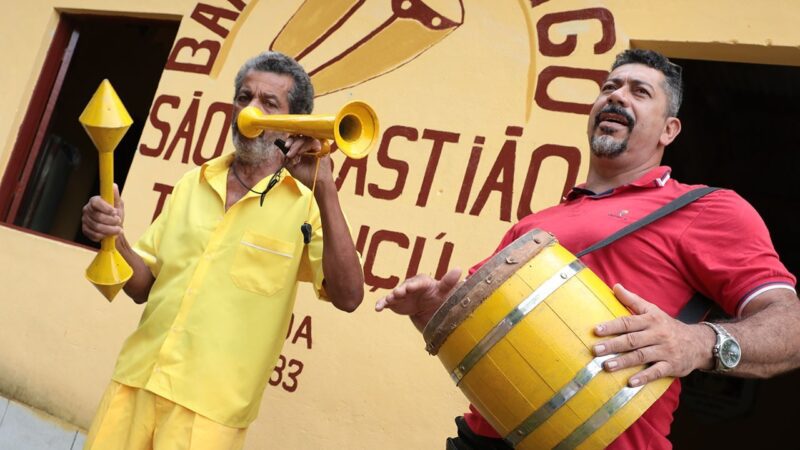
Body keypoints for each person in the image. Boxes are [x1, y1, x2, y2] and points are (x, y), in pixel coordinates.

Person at [375, 48, 800, 449]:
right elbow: (488, 342)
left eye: (640, 91)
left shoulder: (706, 208)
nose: (617, 96)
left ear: (670, 129)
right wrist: (434, 315)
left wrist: (697, 343)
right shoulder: (534, 224)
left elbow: (791, 325)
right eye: (609, 87)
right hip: (482, 441)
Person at [80, 51, 364, 449]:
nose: (250, 110)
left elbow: (349, 296)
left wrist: (325, 191)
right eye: (243, 97)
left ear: (293, 124)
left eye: (269, 104)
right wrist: (115, 236)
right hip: (135, 383)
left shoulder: (308, 205)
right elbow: (143, 285)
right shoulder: (191, 183)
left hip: (209, 417)